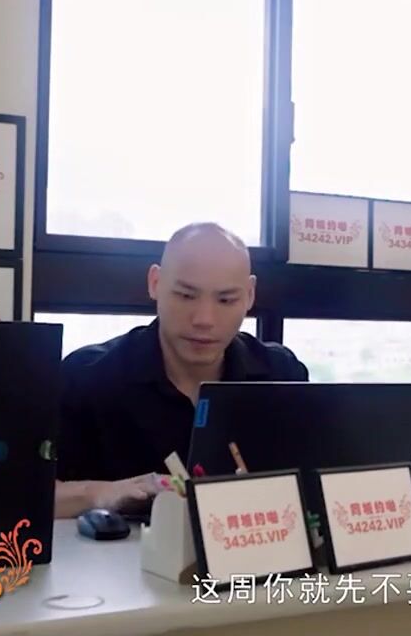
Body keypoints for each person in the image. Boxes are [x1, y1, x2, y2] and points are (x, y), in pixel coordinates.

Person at [54, 222, 309, 518]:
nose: (204, 319)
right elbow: (24, 493)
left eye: (226, 300)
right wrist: (101, 493)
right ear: (155, 283)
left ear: (250, 295)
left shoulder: (281, 375)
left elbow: (320, 484)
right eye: (186, 296)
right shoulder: (86, 376)